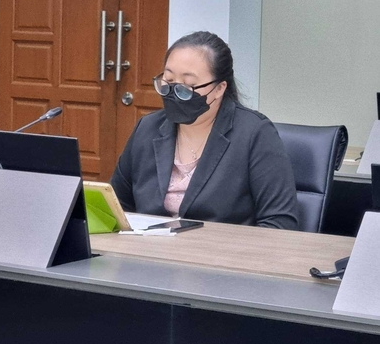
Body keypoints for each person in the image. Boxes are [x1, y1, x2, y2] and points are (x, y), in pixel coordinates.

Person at [111, 31, 298, 230]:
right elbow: (115, 206)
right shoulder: (148, 128)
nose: (174, 93)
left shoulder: (254, 134)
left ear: (219, 89)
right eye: (168, 81)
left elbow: (280, 223)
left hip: (222, 248)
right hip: (150, 246)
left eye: (188, 86)